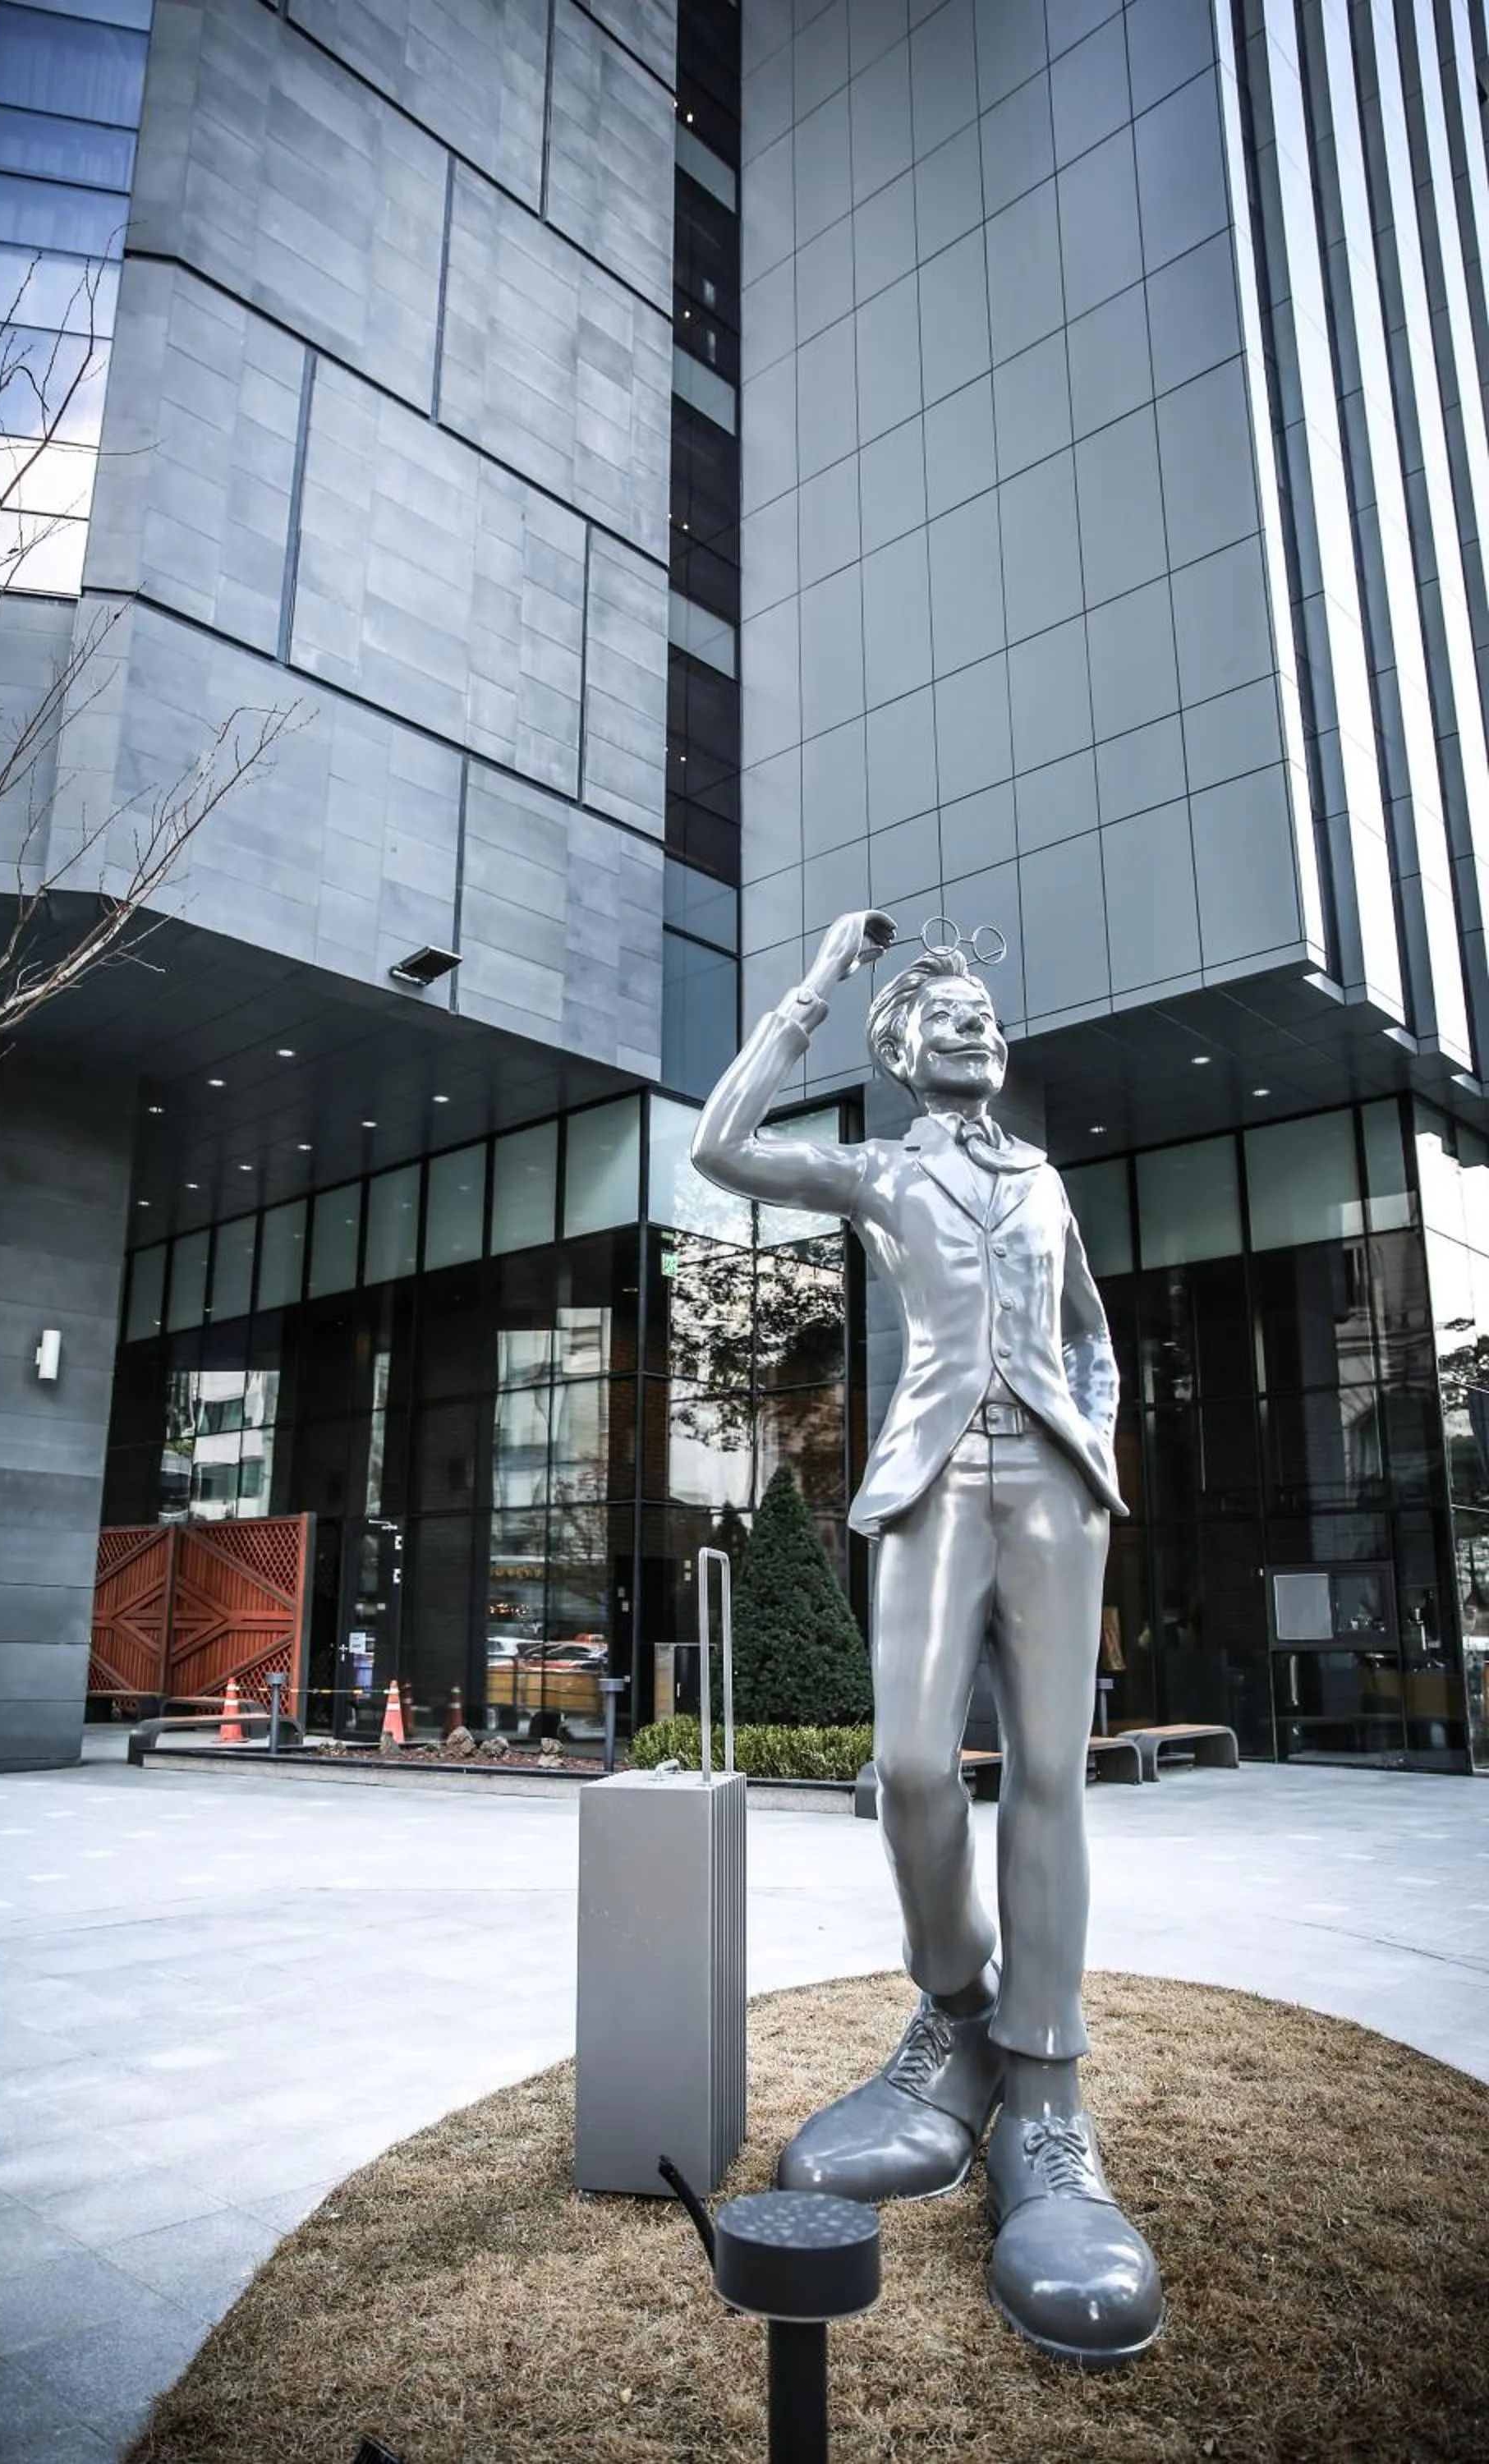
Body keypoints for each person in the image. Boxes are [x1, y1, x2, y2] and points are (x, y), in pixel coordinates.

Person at [691, 908, 1163, 2365]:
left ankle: (1047, 2103)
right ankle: (959, 2015)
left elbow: (1088, 1331)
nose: (974, 1028)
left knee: (1051, 1779)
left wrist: (1092, 1440)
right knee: (907, 1771)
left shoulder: (1046, 1179)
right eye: (945, 1017)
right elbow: (720, 1146)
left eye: (985, 1017)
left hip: (1054, 1491)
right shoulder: (884, 1171)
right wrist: (817, 985)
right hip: (932, 1483)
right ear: (900, 1053)